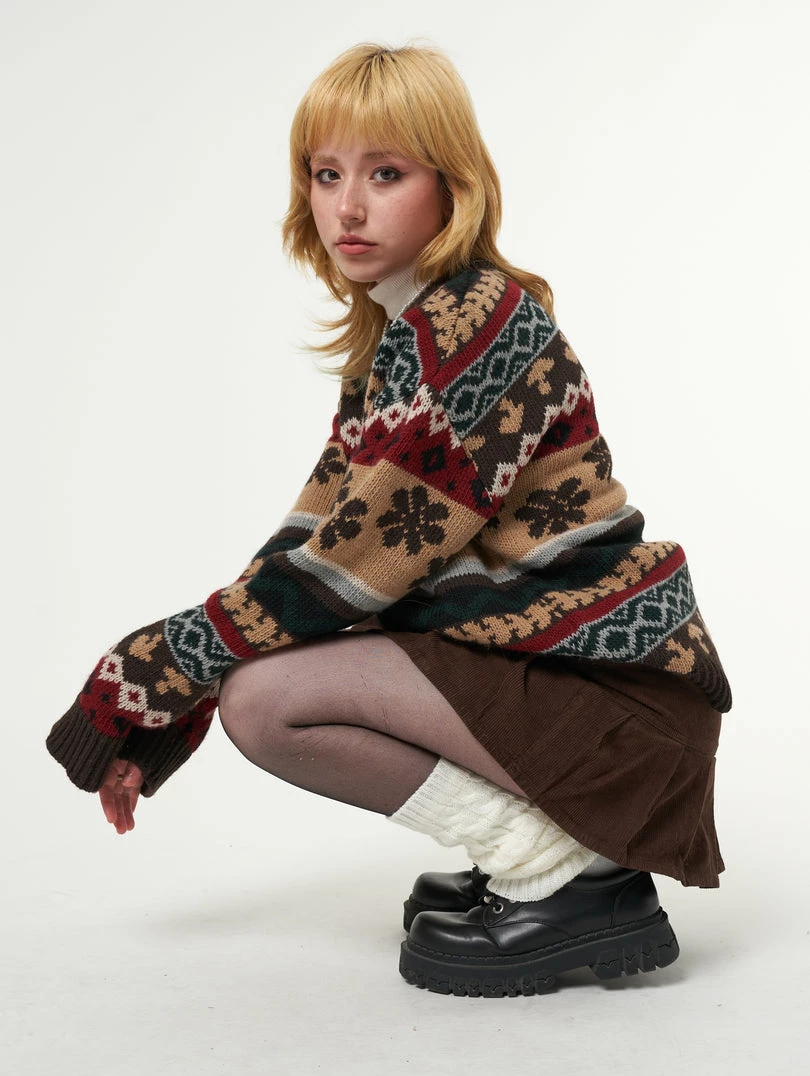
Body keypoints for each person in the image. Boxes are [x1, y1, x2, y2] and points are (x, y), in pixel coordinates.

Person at [47, 42, 731, 998]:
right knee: (253, 678)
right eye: (326, 174)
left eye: (385, 173)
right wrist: (175, 696)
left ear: (453, 186)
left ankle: (563, 872)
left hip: (619, 708)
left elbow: (354, 570)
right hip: (560, 683)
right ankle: (546, 852)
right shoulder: (400, 343)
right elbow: (306, 547)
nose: (348, 208)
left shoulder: (482, 325)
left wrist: (155, 670)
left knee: (267, 701)